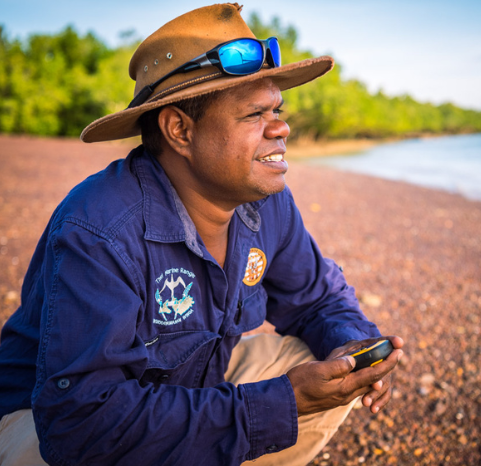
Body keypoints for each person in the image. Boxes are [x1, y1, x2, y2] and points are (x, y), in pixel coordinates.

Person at [0, 3, 403, 465]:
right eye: (254, 115)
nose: (282, 127)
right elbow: (80, 423)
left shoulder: (266, 202)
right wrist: (277, 406)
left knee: (321, 367)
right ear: (180, 130)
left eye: (278, 108)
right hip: (40, 425)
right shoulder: (99, 229)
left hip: (188, 385)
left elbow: (317, 299)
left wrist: (355, 346)